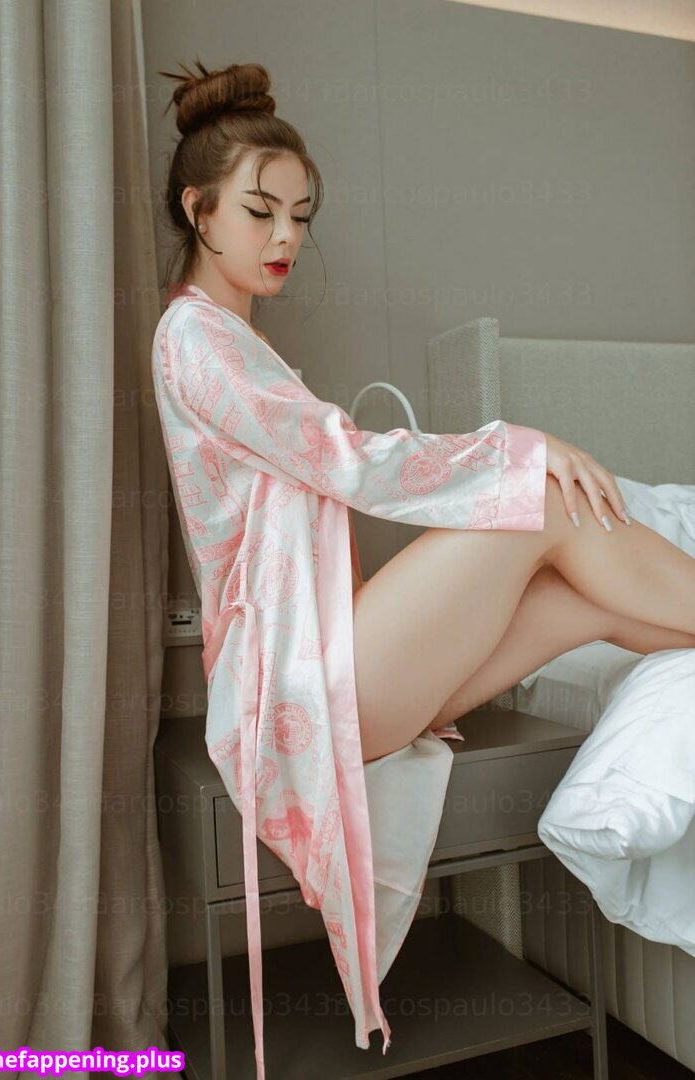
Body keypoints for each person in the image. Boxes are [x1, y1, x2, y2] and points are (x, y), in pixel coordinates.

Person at [151, 58, 695, 1075]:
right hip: (297, 691)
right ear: (198, 209)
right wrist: (520, 445)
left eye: (300, 216)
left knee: (574, 599)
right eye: (260, 212)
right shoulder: (197, 340)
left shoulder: (231, 342)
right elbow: (348, 461)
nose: (284, 237)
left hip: (334, 668)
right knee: (537, 499)